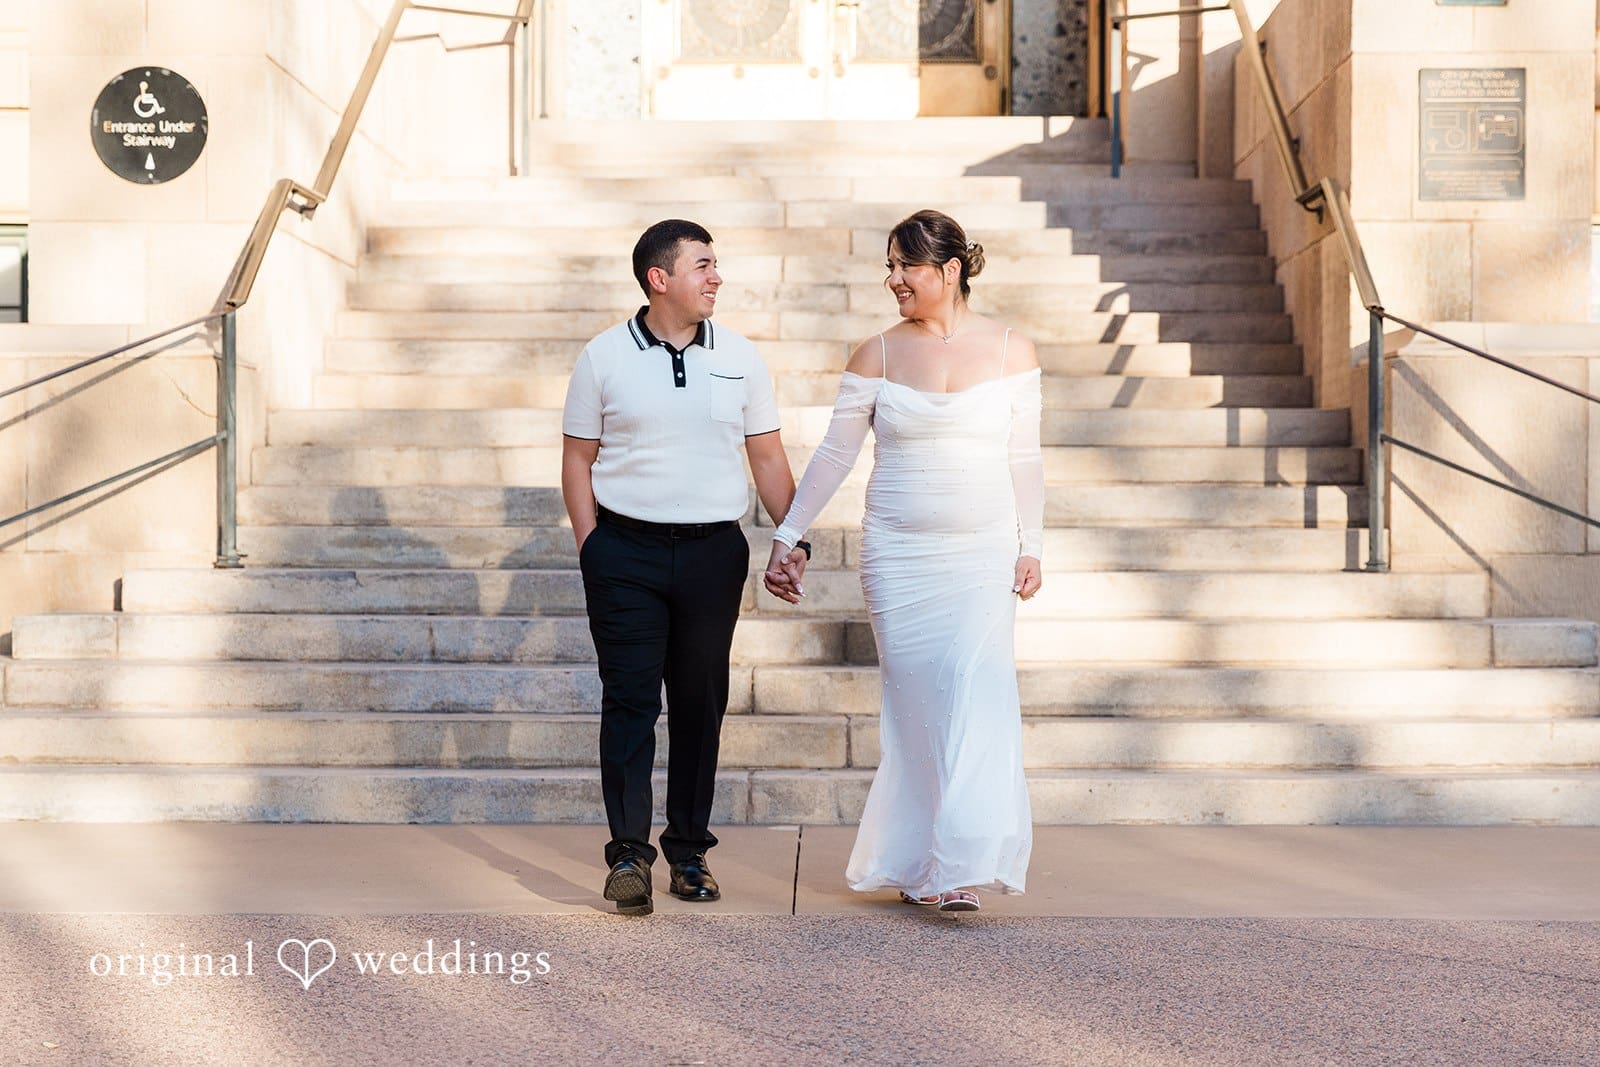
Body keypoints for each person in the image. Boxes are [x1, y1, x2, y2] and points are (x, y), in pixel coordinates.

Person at [767, 209, 1043, 913]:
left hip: (983, 553)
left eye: (905, 267)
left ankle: (957, 861)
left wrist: (1031, 544)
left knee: (975, 693)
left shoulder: (1014, 350)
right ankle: (921, 861)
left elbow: (1025, 457)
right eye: (888, 267)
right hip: (898, 553)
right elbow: (835, 453)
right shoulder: (876, 354)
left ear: (949, 270)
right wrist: (789, 532)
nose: (892, 281)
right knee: (918, 704)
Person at [562, 219, 808, 916]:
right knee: (631, 700)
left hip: (711, 552)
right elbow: (577, 459)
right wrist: (593, 548)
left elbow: (766, 457)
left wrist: (792, 538)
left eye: (717, 264)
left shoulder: (741, 356)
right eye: (703, 265)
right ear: (658, 278)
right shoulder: (603, 356)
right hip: (625, 553)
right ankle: (629, 857)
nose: (716, 276)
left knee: (701, 703)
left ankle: (690, 851)